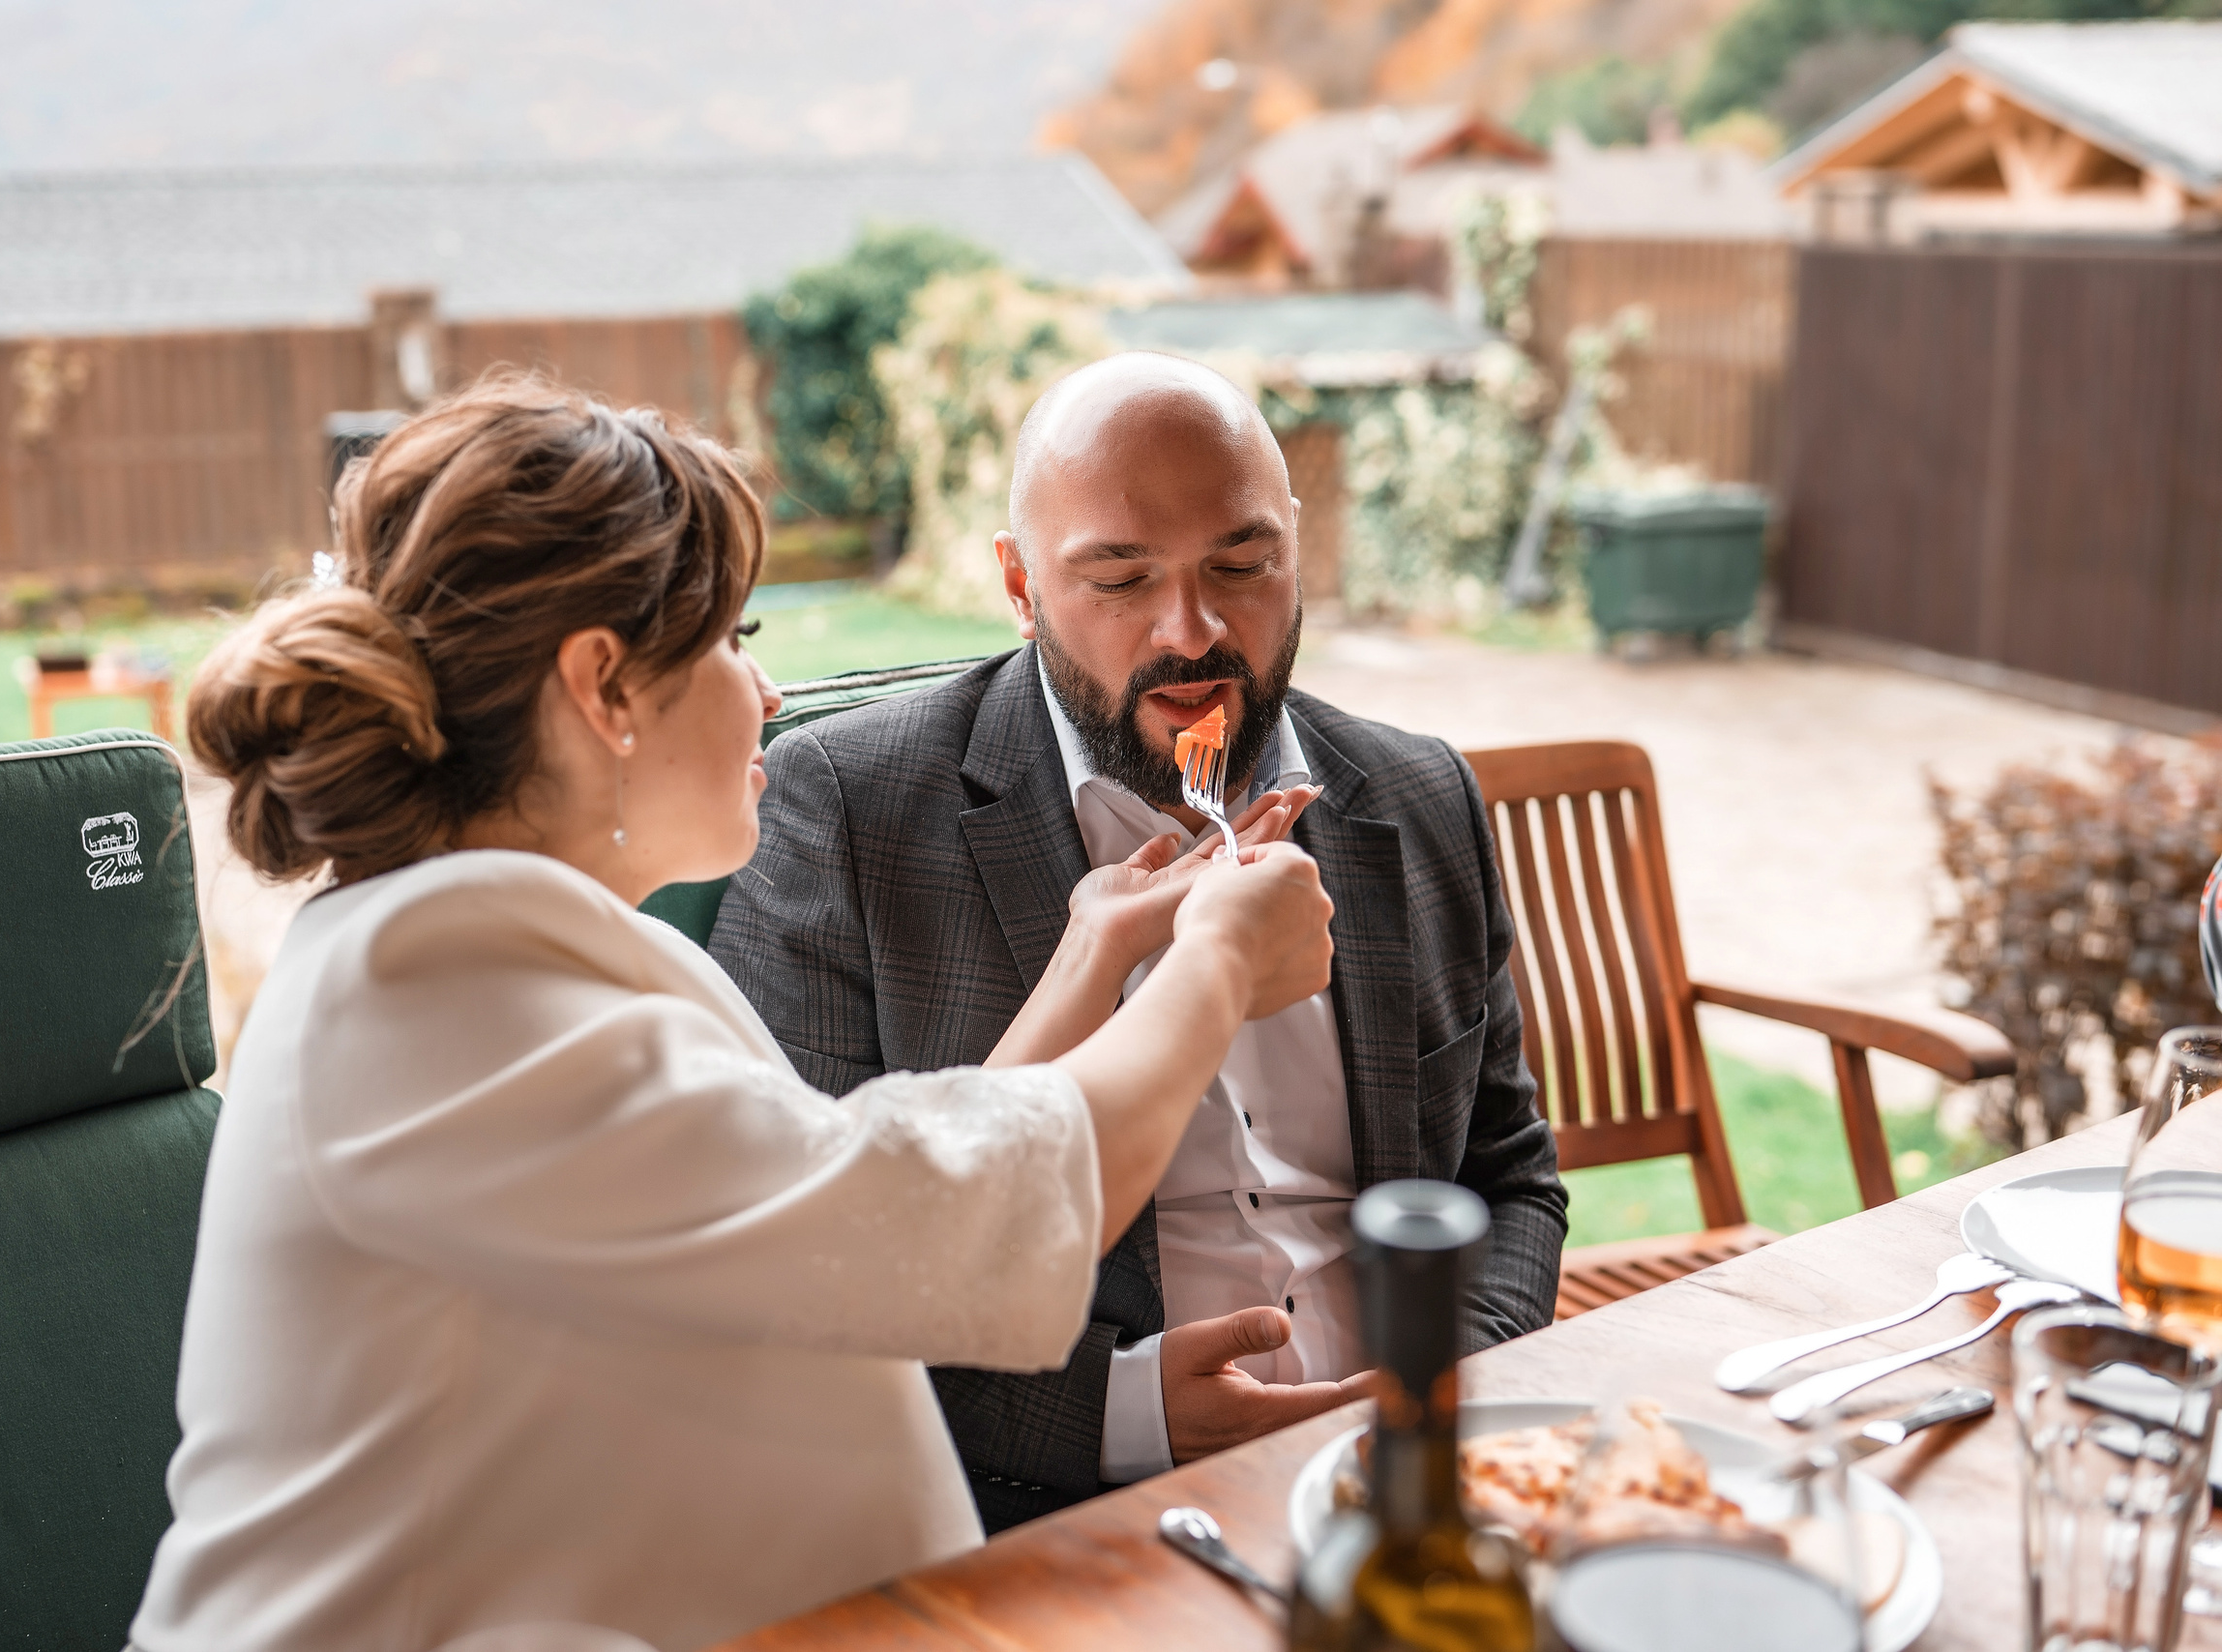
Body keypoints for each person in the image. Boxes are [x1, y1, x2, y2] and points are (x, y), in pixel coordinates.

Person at [126, 375, 1337, 1652]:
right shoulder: (426, 1002)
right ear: (604, 686)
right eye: (735, 638)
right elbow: (938, 1226)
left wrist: (1090, 955)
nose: (767, 695)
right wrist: (1212, 974)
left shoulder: (528, 956)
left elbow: (858, 1213)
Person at [711, 352, 1568, 1532]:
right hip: (1075, 1518)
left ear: (1296, 546)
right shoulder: (848, 813)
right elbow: (811, 1295)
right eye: (1119, 577)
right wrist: (1119, 1416)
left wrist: (1438, 1396)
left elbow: (1509, 1175)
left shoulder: (1421, 795)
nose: (1194, 630)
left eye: (1242, 563)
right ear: (1019, 585)